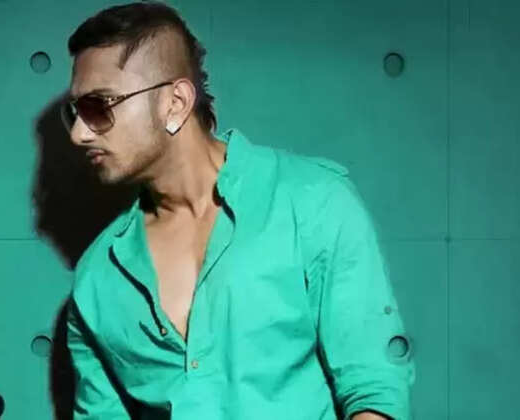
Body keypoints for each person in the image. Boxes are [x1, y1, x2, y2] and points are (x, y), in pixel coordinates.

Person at [60, 1, 416, 419]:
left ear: (175, 102)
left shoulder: (312, 202)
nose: (79, 134)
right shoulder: (97, 278)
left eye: (99, 106)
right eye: (74, 112)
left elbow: (374, 389)